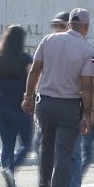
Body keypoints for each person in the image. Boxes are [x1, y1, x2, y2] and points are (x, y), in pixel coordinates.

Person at [21, 8, 94, 187]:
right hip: (69, 106)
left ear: (70, 24)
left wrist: (28, 97)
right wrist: (88, 114)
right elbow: (87, 85)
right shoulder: (87, 50)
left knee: (46, 148)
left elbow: (35, 70)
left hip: (45, 103)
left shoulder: (48, 40)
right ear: (86, 27)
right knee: (64, 155)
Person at [0, 25, 33, 187]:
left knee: (7, 143)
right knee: (26, 143)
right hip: (21, 105)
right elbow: (32, 82)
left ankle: (9, 177)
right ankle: (11, 169)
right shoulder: (25, 59)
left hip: (0, 104)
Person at [32, 11, 69, 162]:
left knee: (69, 151)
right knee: (40, 143)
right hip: (46, 101)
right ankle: (48, 180)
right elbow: (37, 71)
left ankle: (69, 185)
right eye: (55, 26)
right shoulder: (47, 42)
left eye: (61, 25)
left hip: (68, 103)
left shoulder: (77, 46)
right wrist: (32, 96)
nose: (57, 29)